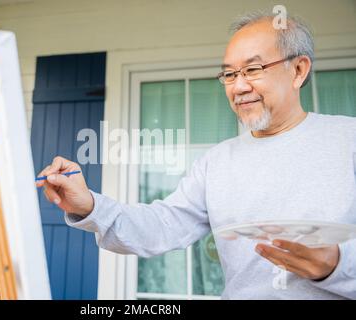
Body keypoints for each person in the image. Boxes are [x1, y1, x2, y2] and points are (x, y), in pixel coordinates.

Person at [35, 12, 356, 299]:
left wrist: (335, 265)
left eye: (253, 69)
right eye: (229, 75)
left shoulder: (348, 140)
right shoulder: (216, 163)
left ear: (298, 70)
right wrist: (89, 205)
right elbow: (161, 226)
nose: (238, 86)